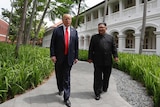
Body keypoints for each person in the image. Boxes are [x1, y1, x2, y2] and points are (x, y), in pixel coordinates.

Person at [50, 14, 78, 107]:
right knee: (59, 75)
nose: (67, 20)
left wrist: (76, 56)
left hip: (69, 58)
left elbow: (76, 45)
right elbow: (52, 44)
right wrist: (53, 55)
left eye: (69, 19)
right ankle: (60, 88)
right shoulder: (57, 31)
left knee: (67, 77)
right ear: (62, 20)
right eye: (66, 19)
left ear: (71, 20)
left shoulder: (74, 31)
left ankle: (67, 98)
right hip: (58, 57)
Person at [88, 22, 118, 100]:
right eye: (99, 27)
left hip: (108, 61)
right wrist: (90, 57)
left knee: (106, 76)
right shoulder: (94, 37)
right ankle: (97, 93)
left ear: (106, 28)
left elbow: (114, 48)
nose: (100, 29)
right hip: (97, 61)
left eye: (102, 27)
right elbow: (91, 48)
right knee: (97, 77)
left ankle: (104, 87)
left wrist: (115, 56)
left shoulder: (110, 38)